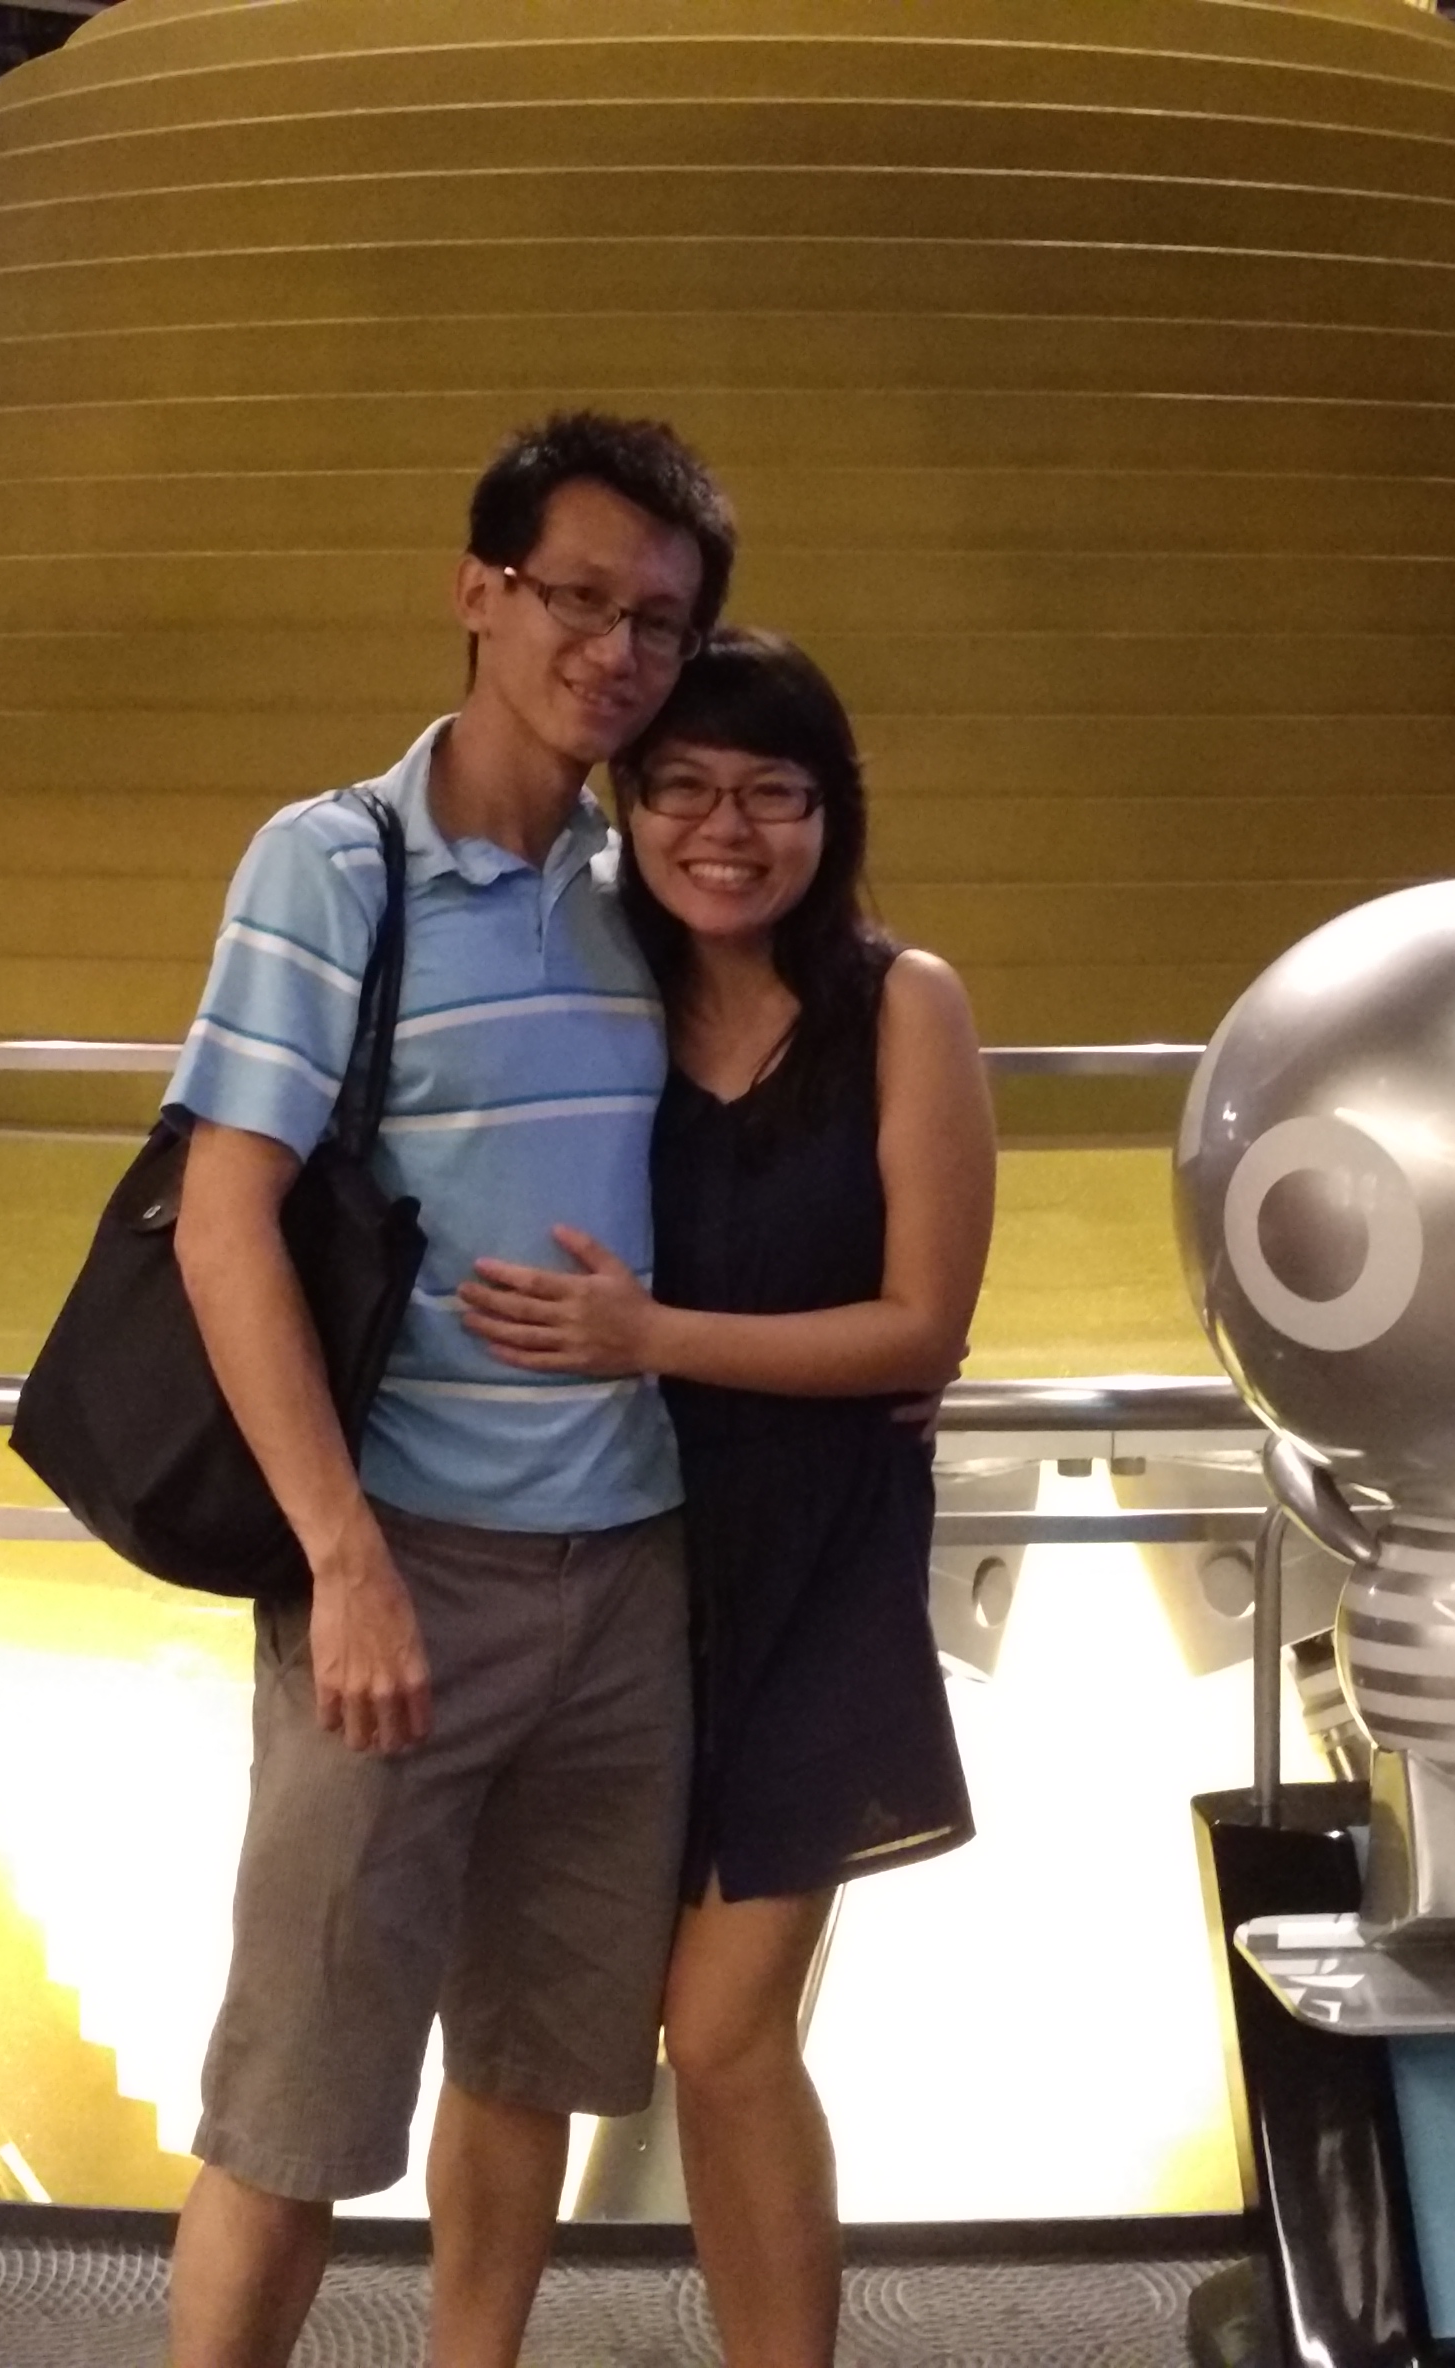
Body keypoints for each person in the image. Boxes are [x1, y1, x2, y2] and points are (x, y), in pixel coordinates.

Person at [158, 412, 736, 2368]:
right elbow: (222, 1220)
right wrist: (344, 1562)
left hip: (628, 1569)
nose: (616, 651)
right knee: (297, 2095)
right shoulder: (336, 866)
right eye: (578, 597)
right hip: (406, 1561)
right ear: (478, 591)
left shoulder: (651, 887)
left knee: (533, 2058)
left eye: (657, 621)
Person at [456, 630, 996, 2368]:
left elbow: (920, 1327)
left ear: (834, 816)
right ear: (626, 805)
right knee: (521, 2030)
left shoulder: (902, 1006)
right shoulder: (591, 1002)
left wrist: (653, 1337)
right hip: (614, 1557)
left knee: (726, 2030)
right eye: (682, 788)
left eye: (774, 793)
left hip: (821, 1571)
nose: (726, 830)